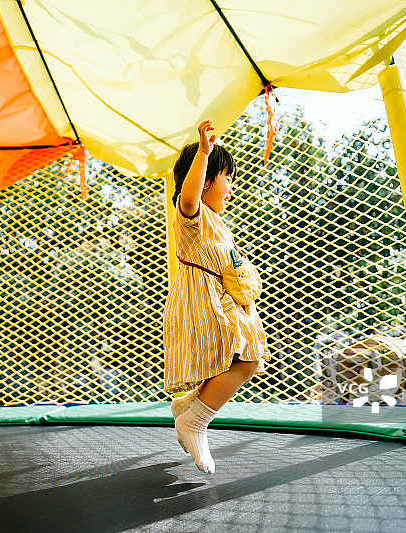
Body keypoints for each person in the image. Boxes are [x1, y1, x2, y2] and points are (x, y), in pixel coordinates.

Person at [163, 120, 270, 474]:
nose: (231, 188)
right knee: (248, 357)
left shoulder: (218, 222)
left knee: (248, 358)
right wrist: (205, 154)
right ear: (206, 178)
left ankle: (189, 407)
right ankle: (194, 421)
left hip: (222, 299)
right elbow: (189, 195)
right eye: (227, 178)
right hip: (202, 299)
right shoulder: (191, 214)